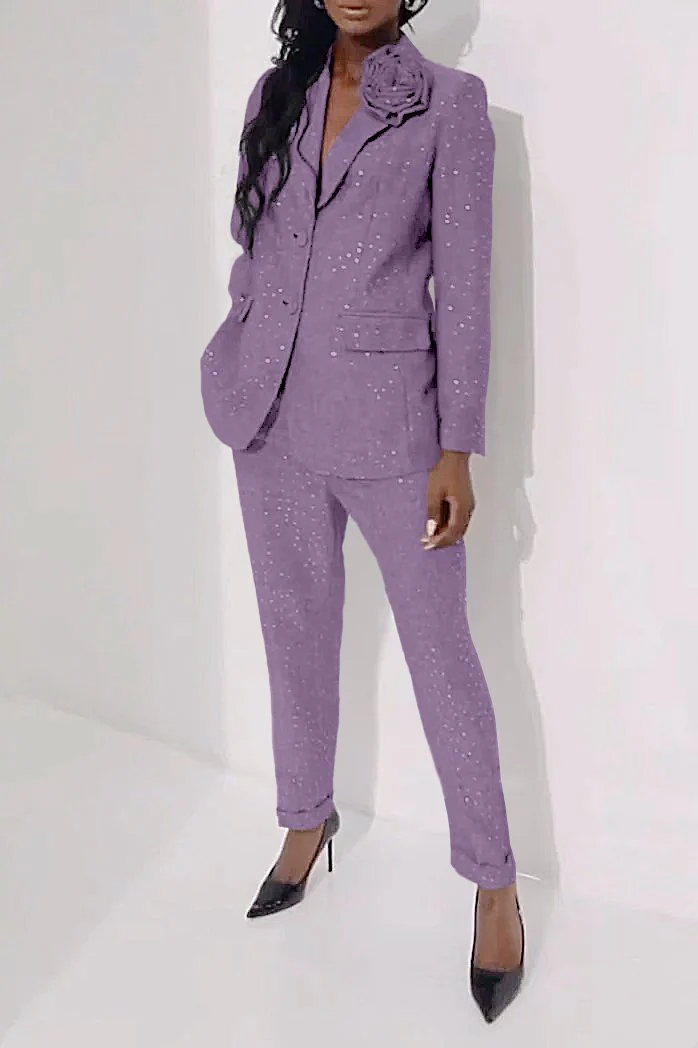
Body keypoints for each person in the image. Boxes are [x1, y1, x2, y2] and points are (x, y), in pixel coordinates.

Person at [201, 0, 524, 1023]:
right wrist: (240, 334)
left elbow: (464, 289)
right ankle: (306, 819)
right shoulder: (276, 91)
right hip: (269, 420)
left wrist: (457, 446)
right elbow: (256, 241)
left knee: (441, 655)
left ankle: (494, 881)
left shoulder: (450, 106)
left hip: (394, 432)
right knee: (292, 632)